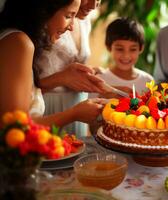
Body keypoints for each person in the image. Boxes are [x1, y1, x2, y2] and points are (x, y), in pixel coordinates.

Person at [0, 0, 105, 129]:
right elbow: (15, 129)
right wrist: (74, 114)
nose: (71, 26)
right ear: (43, 11)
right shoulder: (19, 43)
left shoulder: (15, 39)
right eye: (68, 16)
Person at [35, 0, 103, 136]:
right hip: (46, 108)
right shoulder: (41, 23)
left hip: (79, 105)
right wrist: (61, 78)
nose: (94, 5)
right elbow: (23, 88)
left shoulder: (85, 20)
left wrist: (90, 74)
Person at [90, 18, 153, 98]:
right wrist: (103, 94)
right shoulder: (99, 80)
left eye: (133, 49)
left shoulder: (148, 81)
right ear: (109, 47)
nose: (126, 55)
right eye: (120, 49)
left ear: (141, 49)